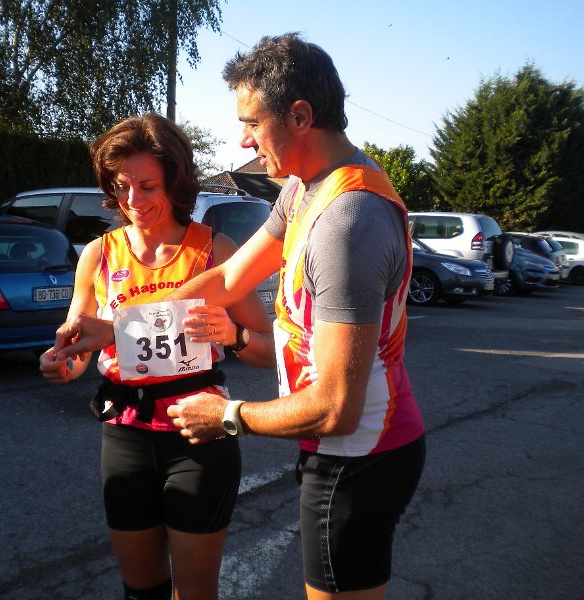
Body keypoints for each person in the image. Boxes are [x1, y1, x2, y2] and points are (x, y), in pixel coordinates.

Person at [165, 34, 426, 600]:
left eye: (252, 123)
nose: (244, 140)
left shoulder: (347, 222)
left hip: (356, 457)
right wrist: (138, 323)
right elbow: (229, 279)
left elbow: (335, 408)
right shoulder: (305, 188)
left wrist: (226, 415)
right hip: (353, 448)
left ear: (300, 117)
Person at [39, 112, 274, 600]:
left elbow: (272, 349)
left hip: (199, 433)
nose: (133, 201)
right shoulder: (98, 254)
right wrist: (62, 361)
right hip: (125, 432)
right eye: (121, 187)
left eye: (147, 186)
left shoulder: (213, 249)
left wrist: (233, 336)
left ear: (175, 182)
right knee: (140, 589)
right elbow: (78, 340)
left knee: (194, 592)